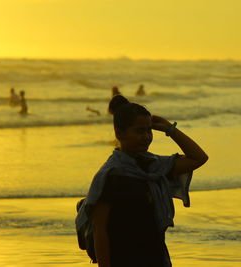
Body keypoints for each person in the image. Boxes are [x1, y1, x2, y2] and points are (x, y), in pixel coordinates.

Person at [76, 95, 208, 267]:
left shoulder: (154, 167)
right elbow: (100, 231)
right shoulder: (110, 175)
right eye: (139, 131)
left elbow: (198, 158)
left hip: (155, 257)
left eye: (149, 130)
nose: (146, 137)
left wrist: (170, 129)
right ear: (119, 132)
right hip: (122, 259)